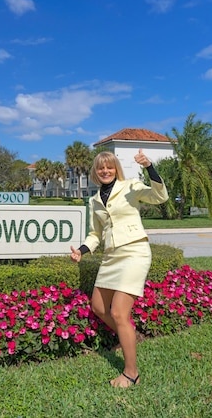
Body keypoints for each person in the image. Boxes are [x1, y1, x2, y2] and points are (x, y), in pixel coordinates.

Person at [70, 149, 168, 388]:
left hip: (134, 252)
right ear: (95, 171)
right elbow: (96, 233)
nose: (105, 171)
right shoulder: (94, 200)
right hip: (111, 256)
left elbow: (159, 196)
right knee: (98, 307)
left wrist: (149, 167)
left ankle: (131, 373)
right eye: (101, 168)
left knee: (119, 313)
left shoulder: (130, 187)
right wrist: (81, 251)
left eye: (110, 167)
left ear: (116, 169)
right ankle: (129, 337)